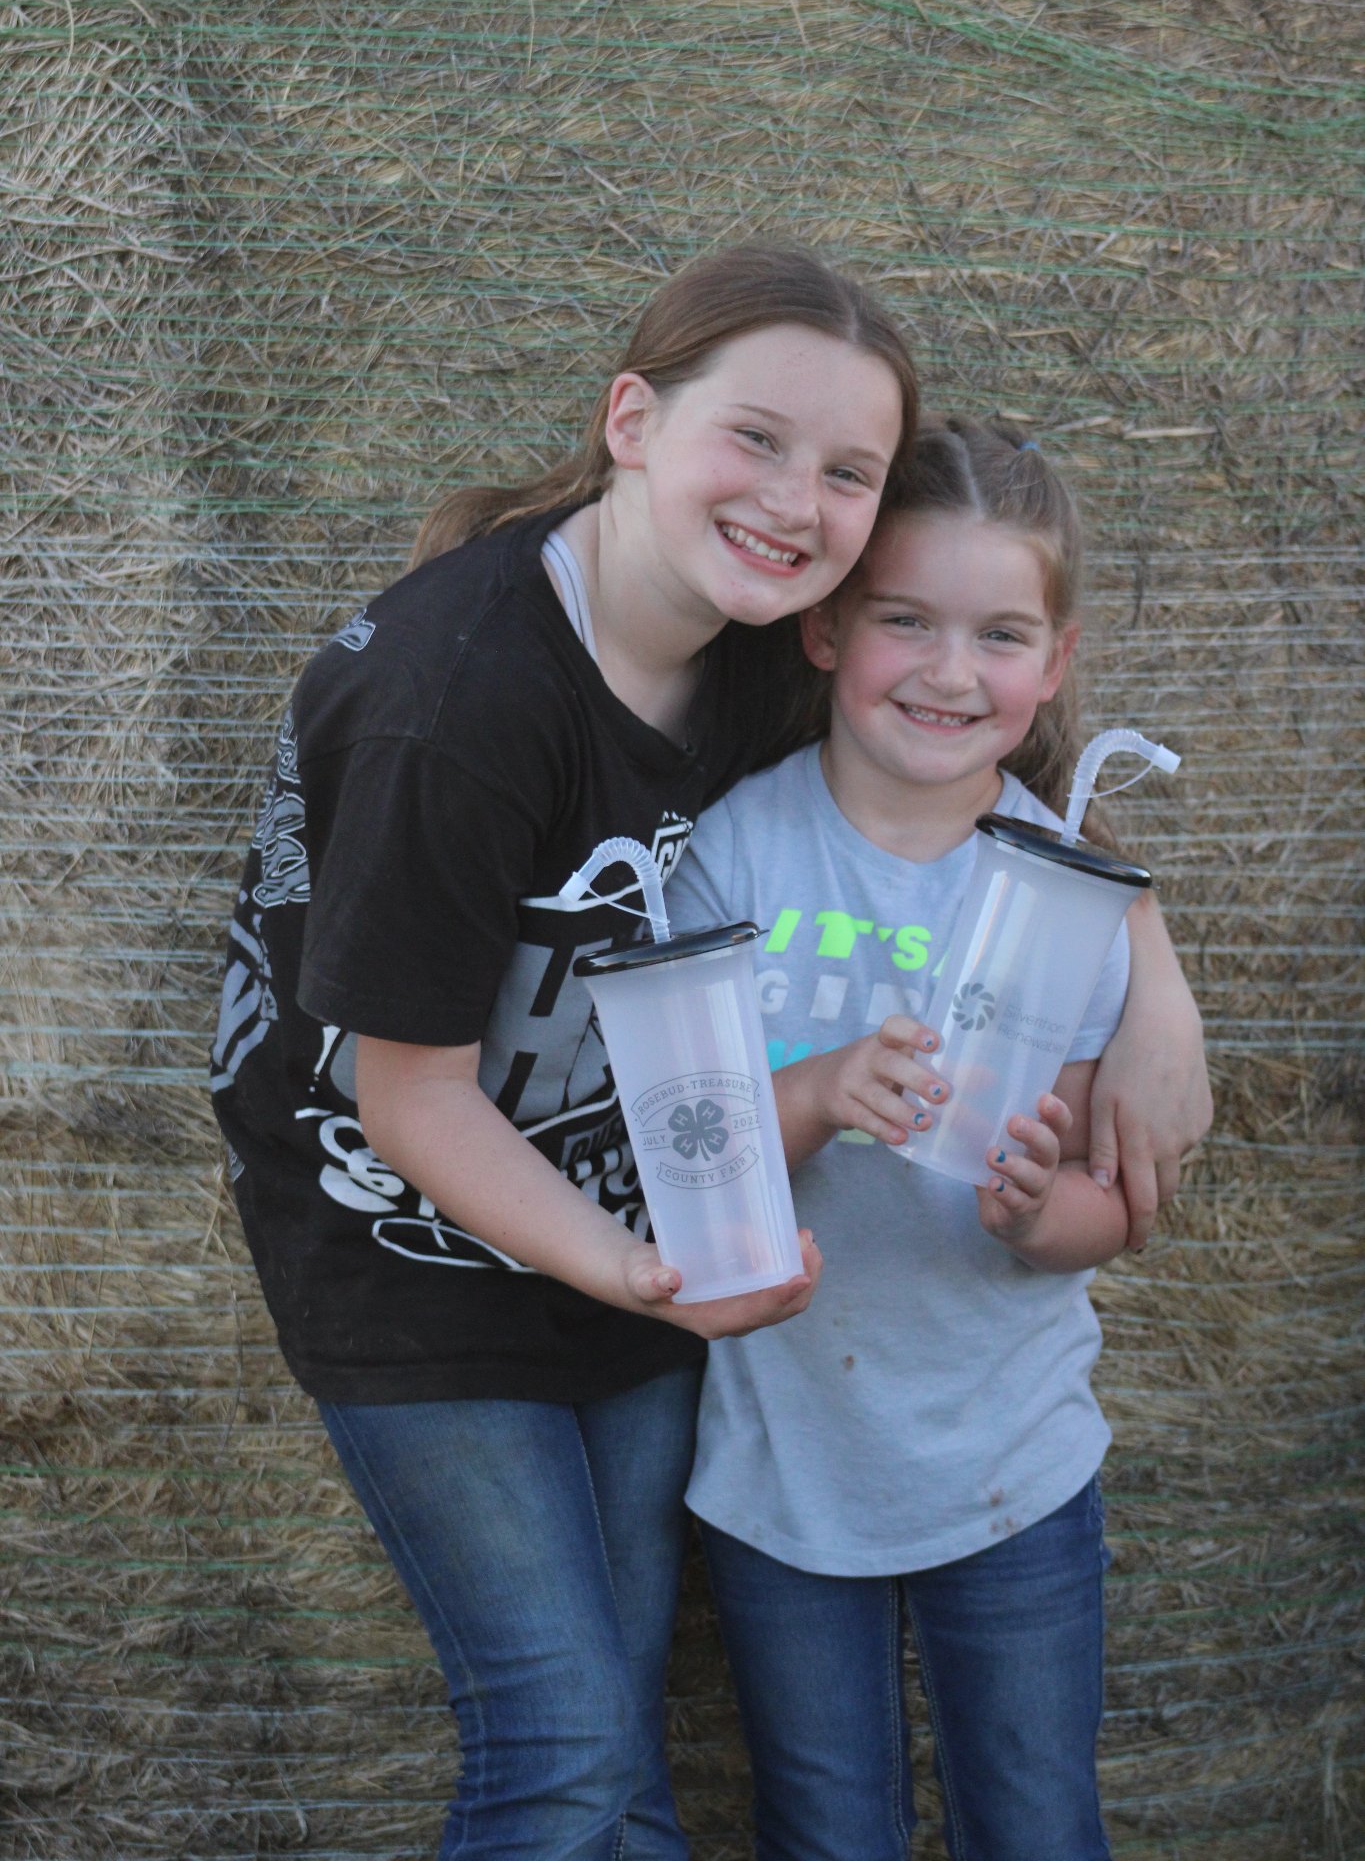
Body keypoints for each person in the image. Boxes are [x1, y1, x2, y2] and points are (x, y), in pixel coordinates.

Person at [208, 235, 1207, 1861]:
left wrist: (1150, 970)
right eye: (753, 439)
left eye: (846, 473)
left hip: (654, 1232)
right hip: (430, 1254)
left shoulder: (773, 640)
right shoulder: (460, 701)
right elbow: (410, 1096)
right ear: (629, 422)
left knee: (622, 1770)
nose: (794, 502)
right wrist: (635, 1265)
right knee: (561, 1751)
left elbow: (990, 791)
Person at [666, 415, 1197, 1861]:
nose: (952, 673)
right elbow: (681, 1163)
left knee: (1031, 1821)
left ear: (1056, 660)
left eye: (999, 634)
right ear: (828, 629)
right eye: (905, 620)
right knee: (826, 1829)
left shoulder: (1069, 905)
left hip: (1009, 1461)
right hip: (784, 1468)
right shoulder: (734, 855)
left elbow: (1110, 1208)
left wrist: (1039, 1217)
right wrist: (816, 1090)